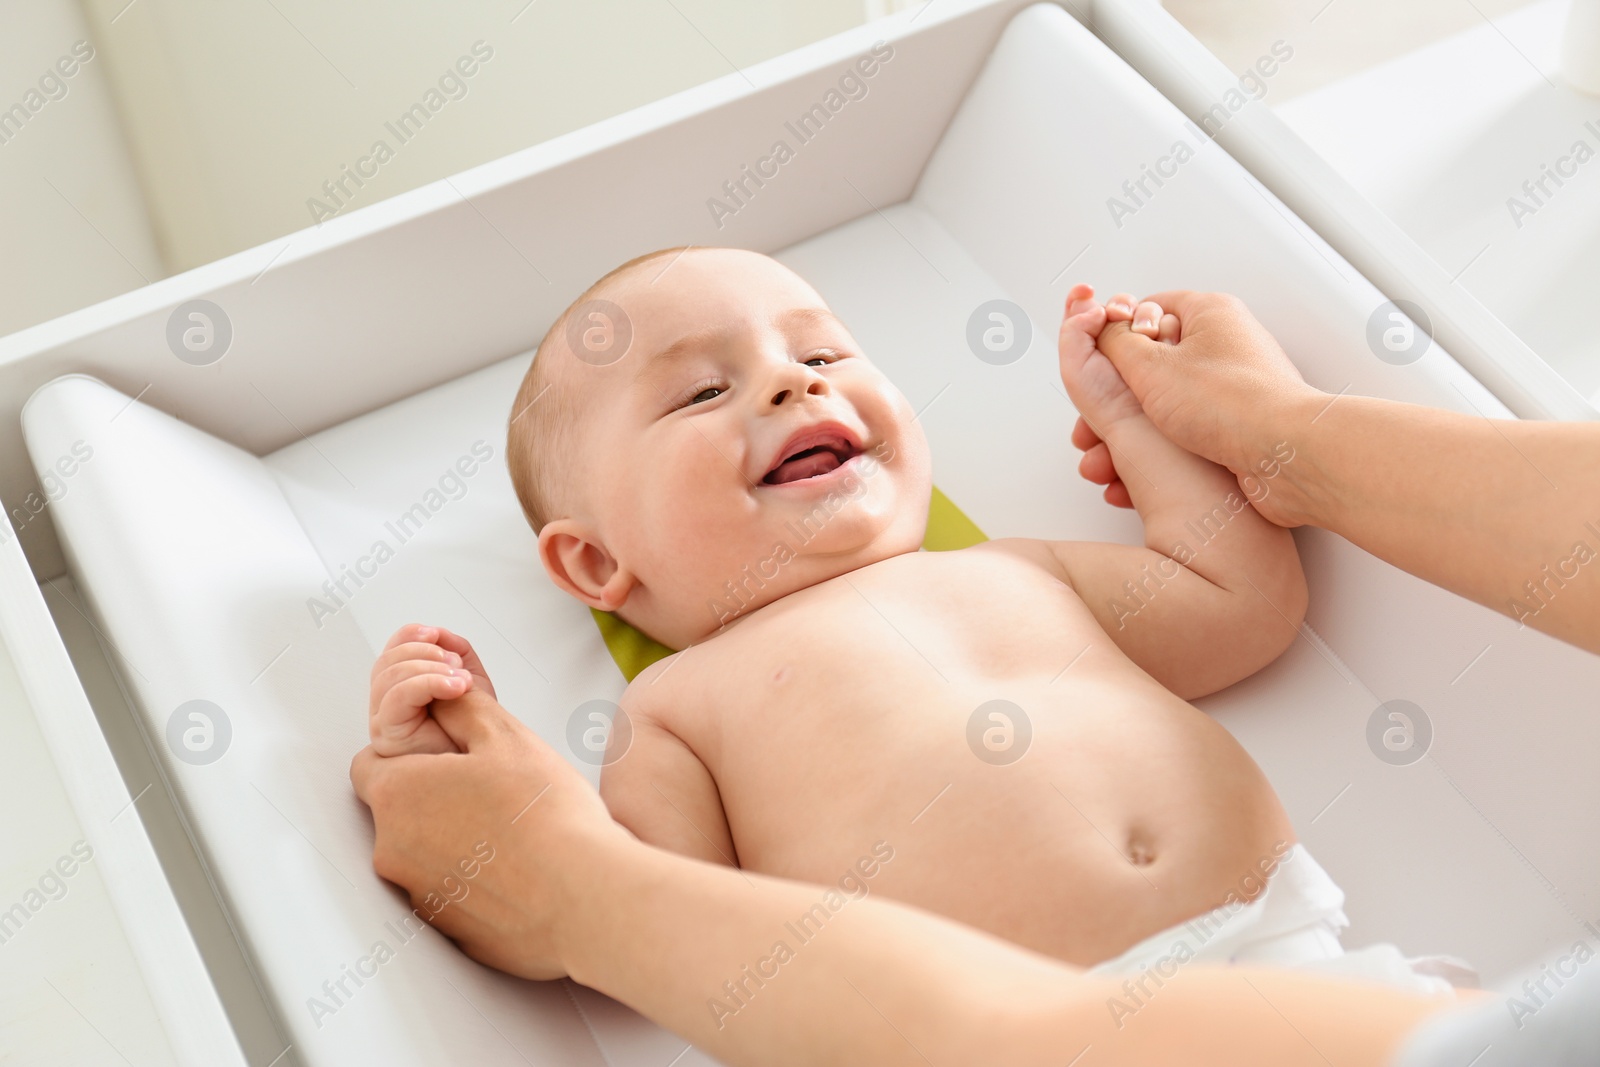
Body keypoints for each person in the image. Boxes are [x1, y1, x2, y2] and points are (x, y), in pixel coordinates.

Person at [353, 286, 1600, 1064]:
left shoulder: (1013, 569)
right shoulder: (680, 704)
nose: (794, 380)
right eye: (702, 388)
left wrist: (1141, 427)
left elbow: (1239, 603)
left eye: (824, 351)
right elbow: (655, 927)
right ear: (594, 560)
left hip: (1310, 976)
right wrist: (452, 759)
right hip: (987, 1028)